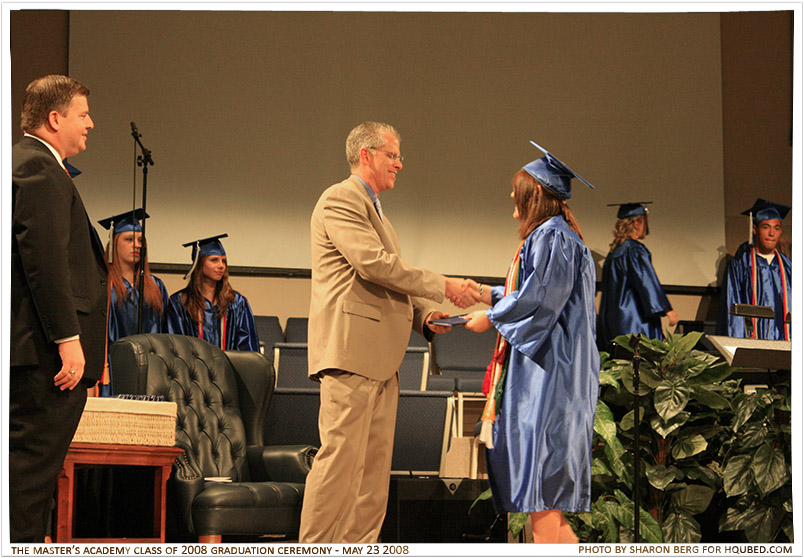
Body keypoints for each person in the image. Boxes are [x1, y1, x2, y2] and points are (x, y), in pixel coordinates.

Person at [299, 121, 474, 543]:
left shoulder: (377, 211)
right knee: (341, 464)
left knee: (373, 475)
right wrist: (443, 286)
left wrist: (425, 315)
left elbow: (388, 279)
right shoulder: (340, 198)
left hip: (380, 359)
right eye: (392, 154)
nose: (400, 162)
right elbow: (373, 265)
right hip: (350, 353)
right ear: (367, 155)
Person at [462, 141, 600, 543]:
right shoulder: (557, 236)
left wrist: (490, 317)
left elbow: (540, 301)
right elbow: (535, 291)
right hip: (555, 373)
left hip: (551, 379)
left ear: (536, 193)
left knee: (542, 491)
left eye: (517, 191)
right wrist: (488, 294)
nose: (511, 197)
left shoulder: (553, 237)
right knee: (548, 504)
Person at [10, 75, 107, 542]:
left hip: (39, 353)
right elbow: (44, 263)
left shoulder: (31, 164)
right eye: (82, 114)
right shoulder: (37, 168)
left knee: (31, 483)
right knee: (25, 485)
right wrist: (69, 341)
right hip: (43, 357)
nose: (90, 123)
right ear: (55, 119)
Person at [97, 208, 169, 395]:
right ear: (114, 244)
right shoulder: (103, 284)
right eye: (129, 240)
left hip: (150, 372)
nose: (137, 245)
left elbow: (166, 334)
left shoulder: (156, 286)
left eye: (140, 241)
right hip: (112, 370)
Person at [597, 202, 678, 348]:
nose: (646, 227)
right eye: (644, 222)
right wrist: (667, 310)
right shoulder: (634, 250)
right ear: (636, 223)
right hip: (634, 321)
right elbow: (646, 281)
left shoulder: (615, 251)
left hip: (614, 322)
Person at [166, 234, 260, 351]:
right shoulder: (179, 302)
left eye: (223, 261)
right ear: (199, 264)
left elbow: (247, 348)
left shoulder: (236, 302)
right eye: (214, 260)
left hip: (228, 368)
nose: (221, 266)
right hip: (193, 368)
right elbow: (176, 346)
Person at [717, 198, 791, 340]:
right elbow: (732, 311)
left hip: (785, 343)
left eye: (776, 228)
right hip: (750, 342)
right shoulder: (740, 265)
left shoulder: (788, 267)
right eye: (766, 227)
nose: (771, 233)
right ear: (755, 230)